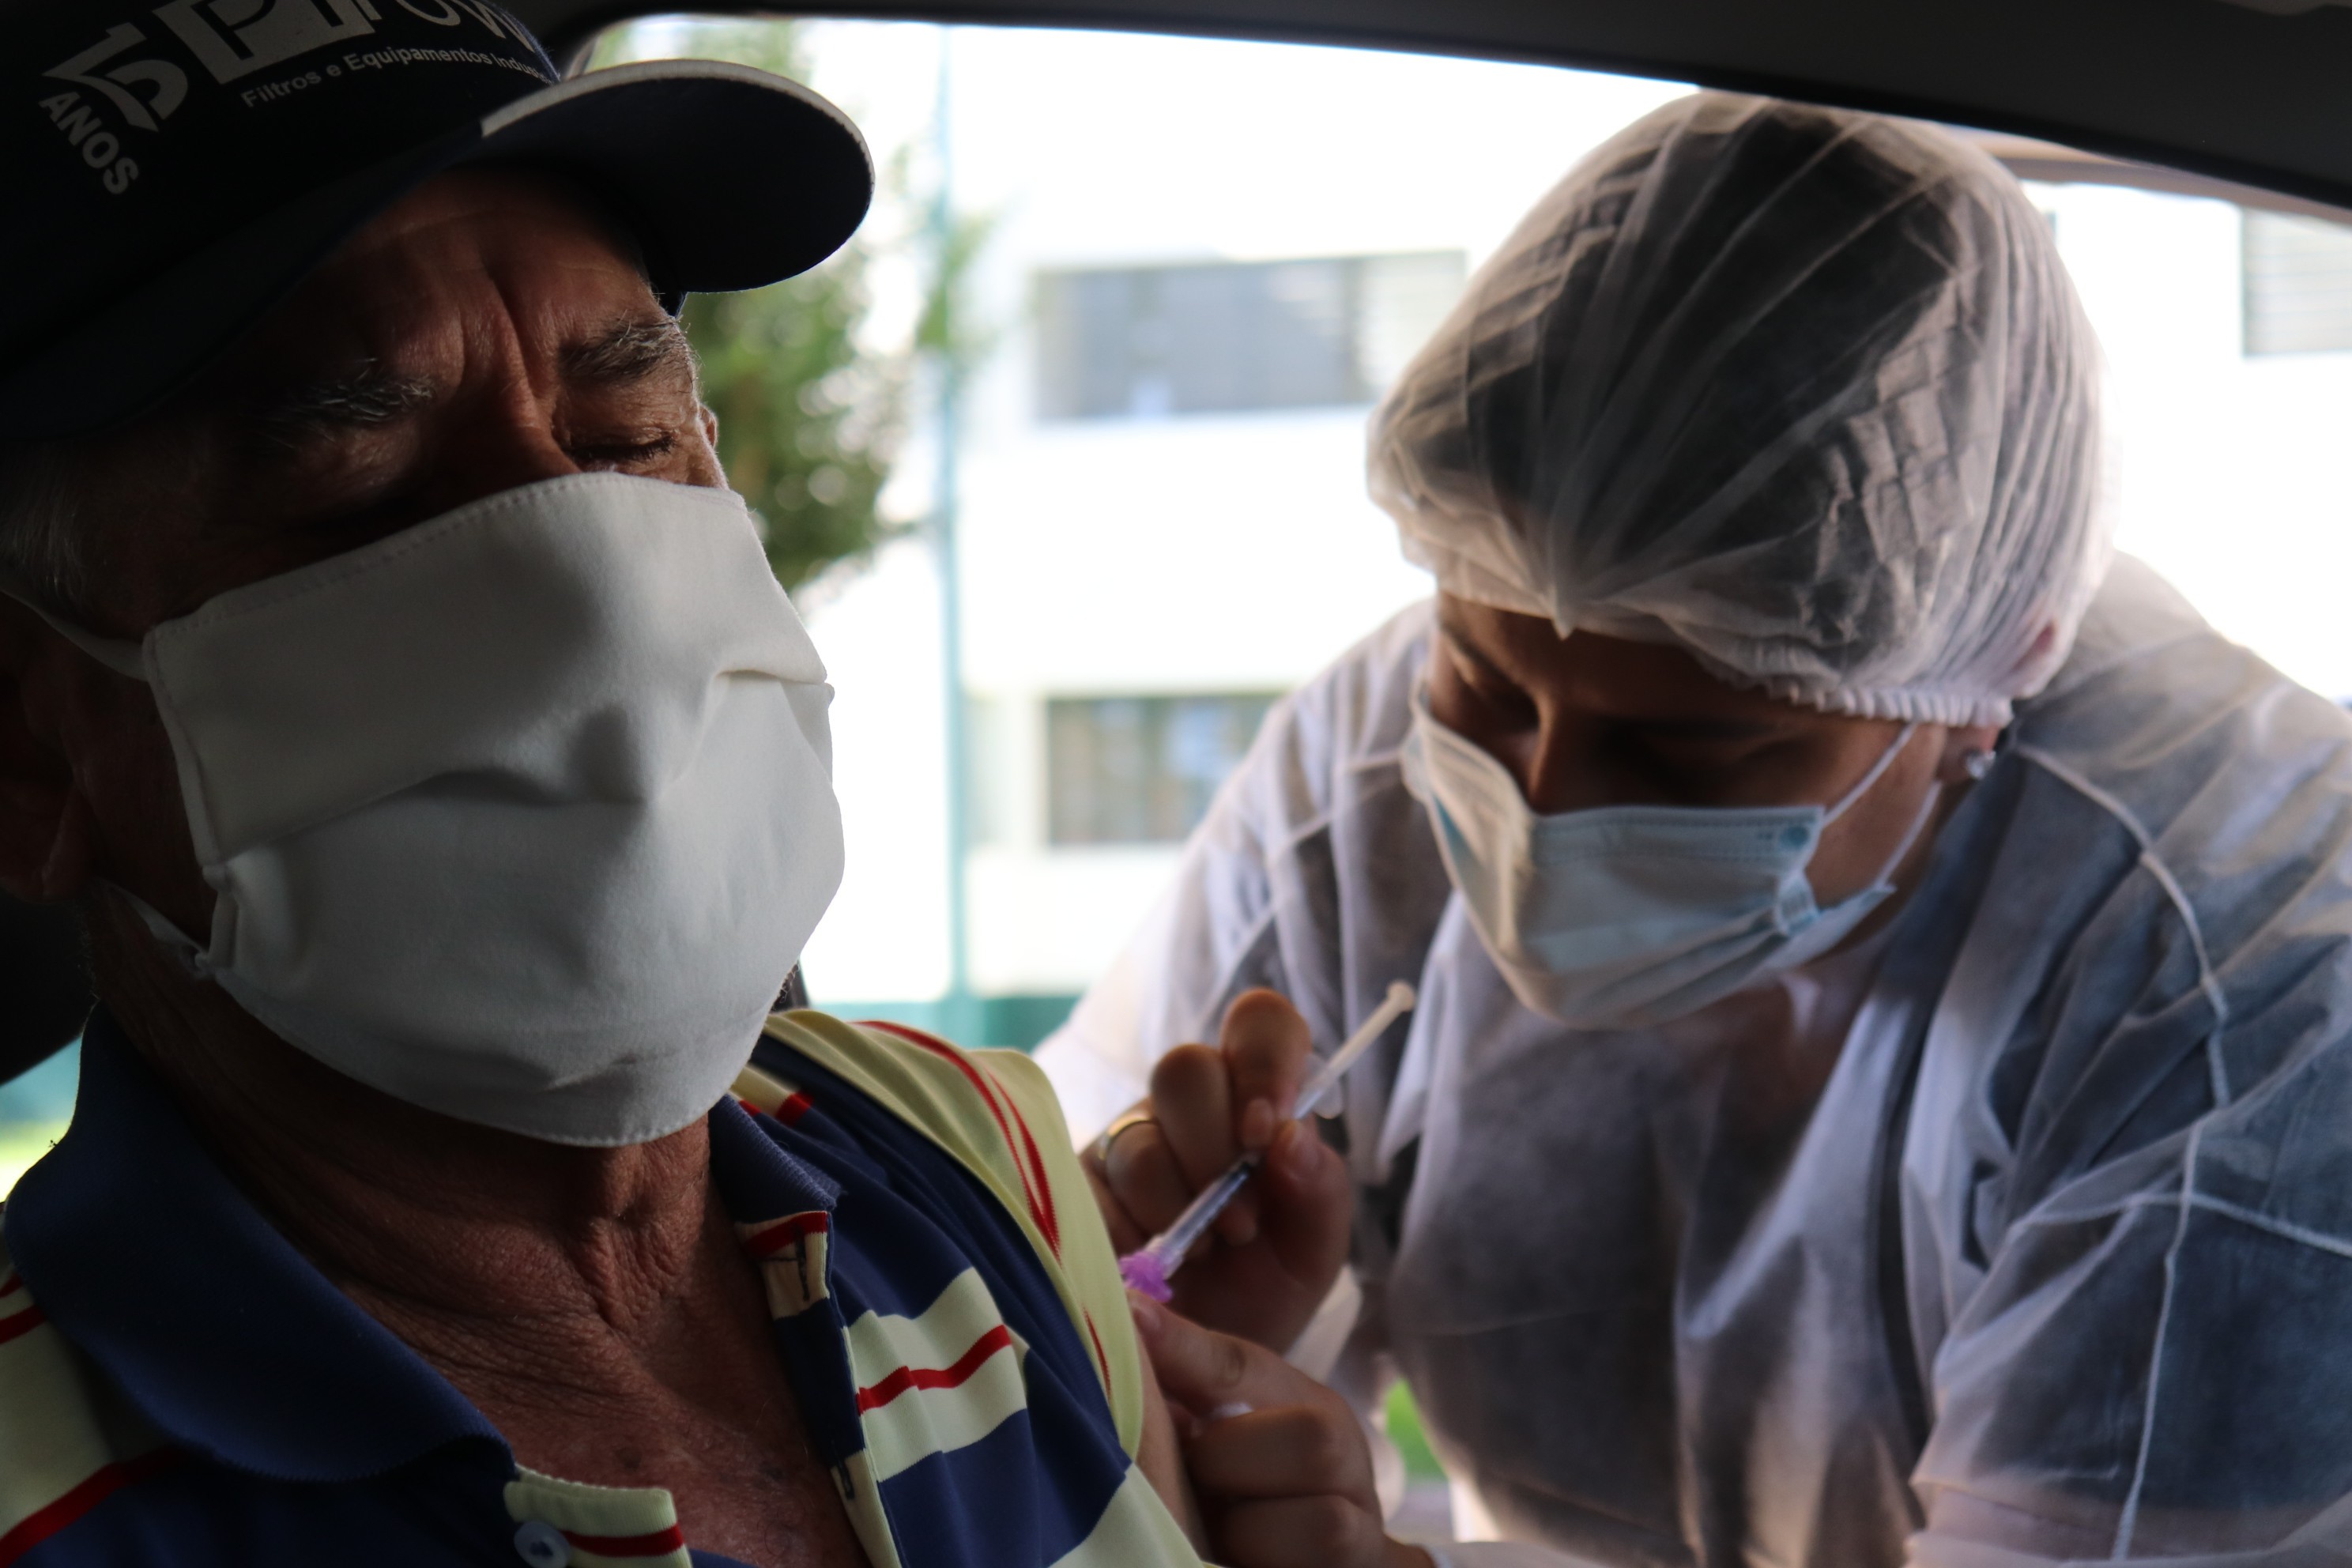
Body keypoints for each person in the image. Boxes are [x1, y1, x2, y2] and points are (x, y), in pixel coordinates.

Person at [0, 7, 1404, 1566]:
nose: (595, 594)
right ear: (28, 741)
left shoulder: (959, 1140)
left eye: (629, 426)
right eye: (366, 491)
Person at [1042, 92, 2352, 1568]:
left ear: (1993, 674)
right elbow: (1028, 1340)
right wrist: (1183, 1365)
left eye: (1690, 747)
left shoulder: (2246, 982)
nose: (1537, 803)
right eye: (1482, 683)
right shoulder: (1370, 774)